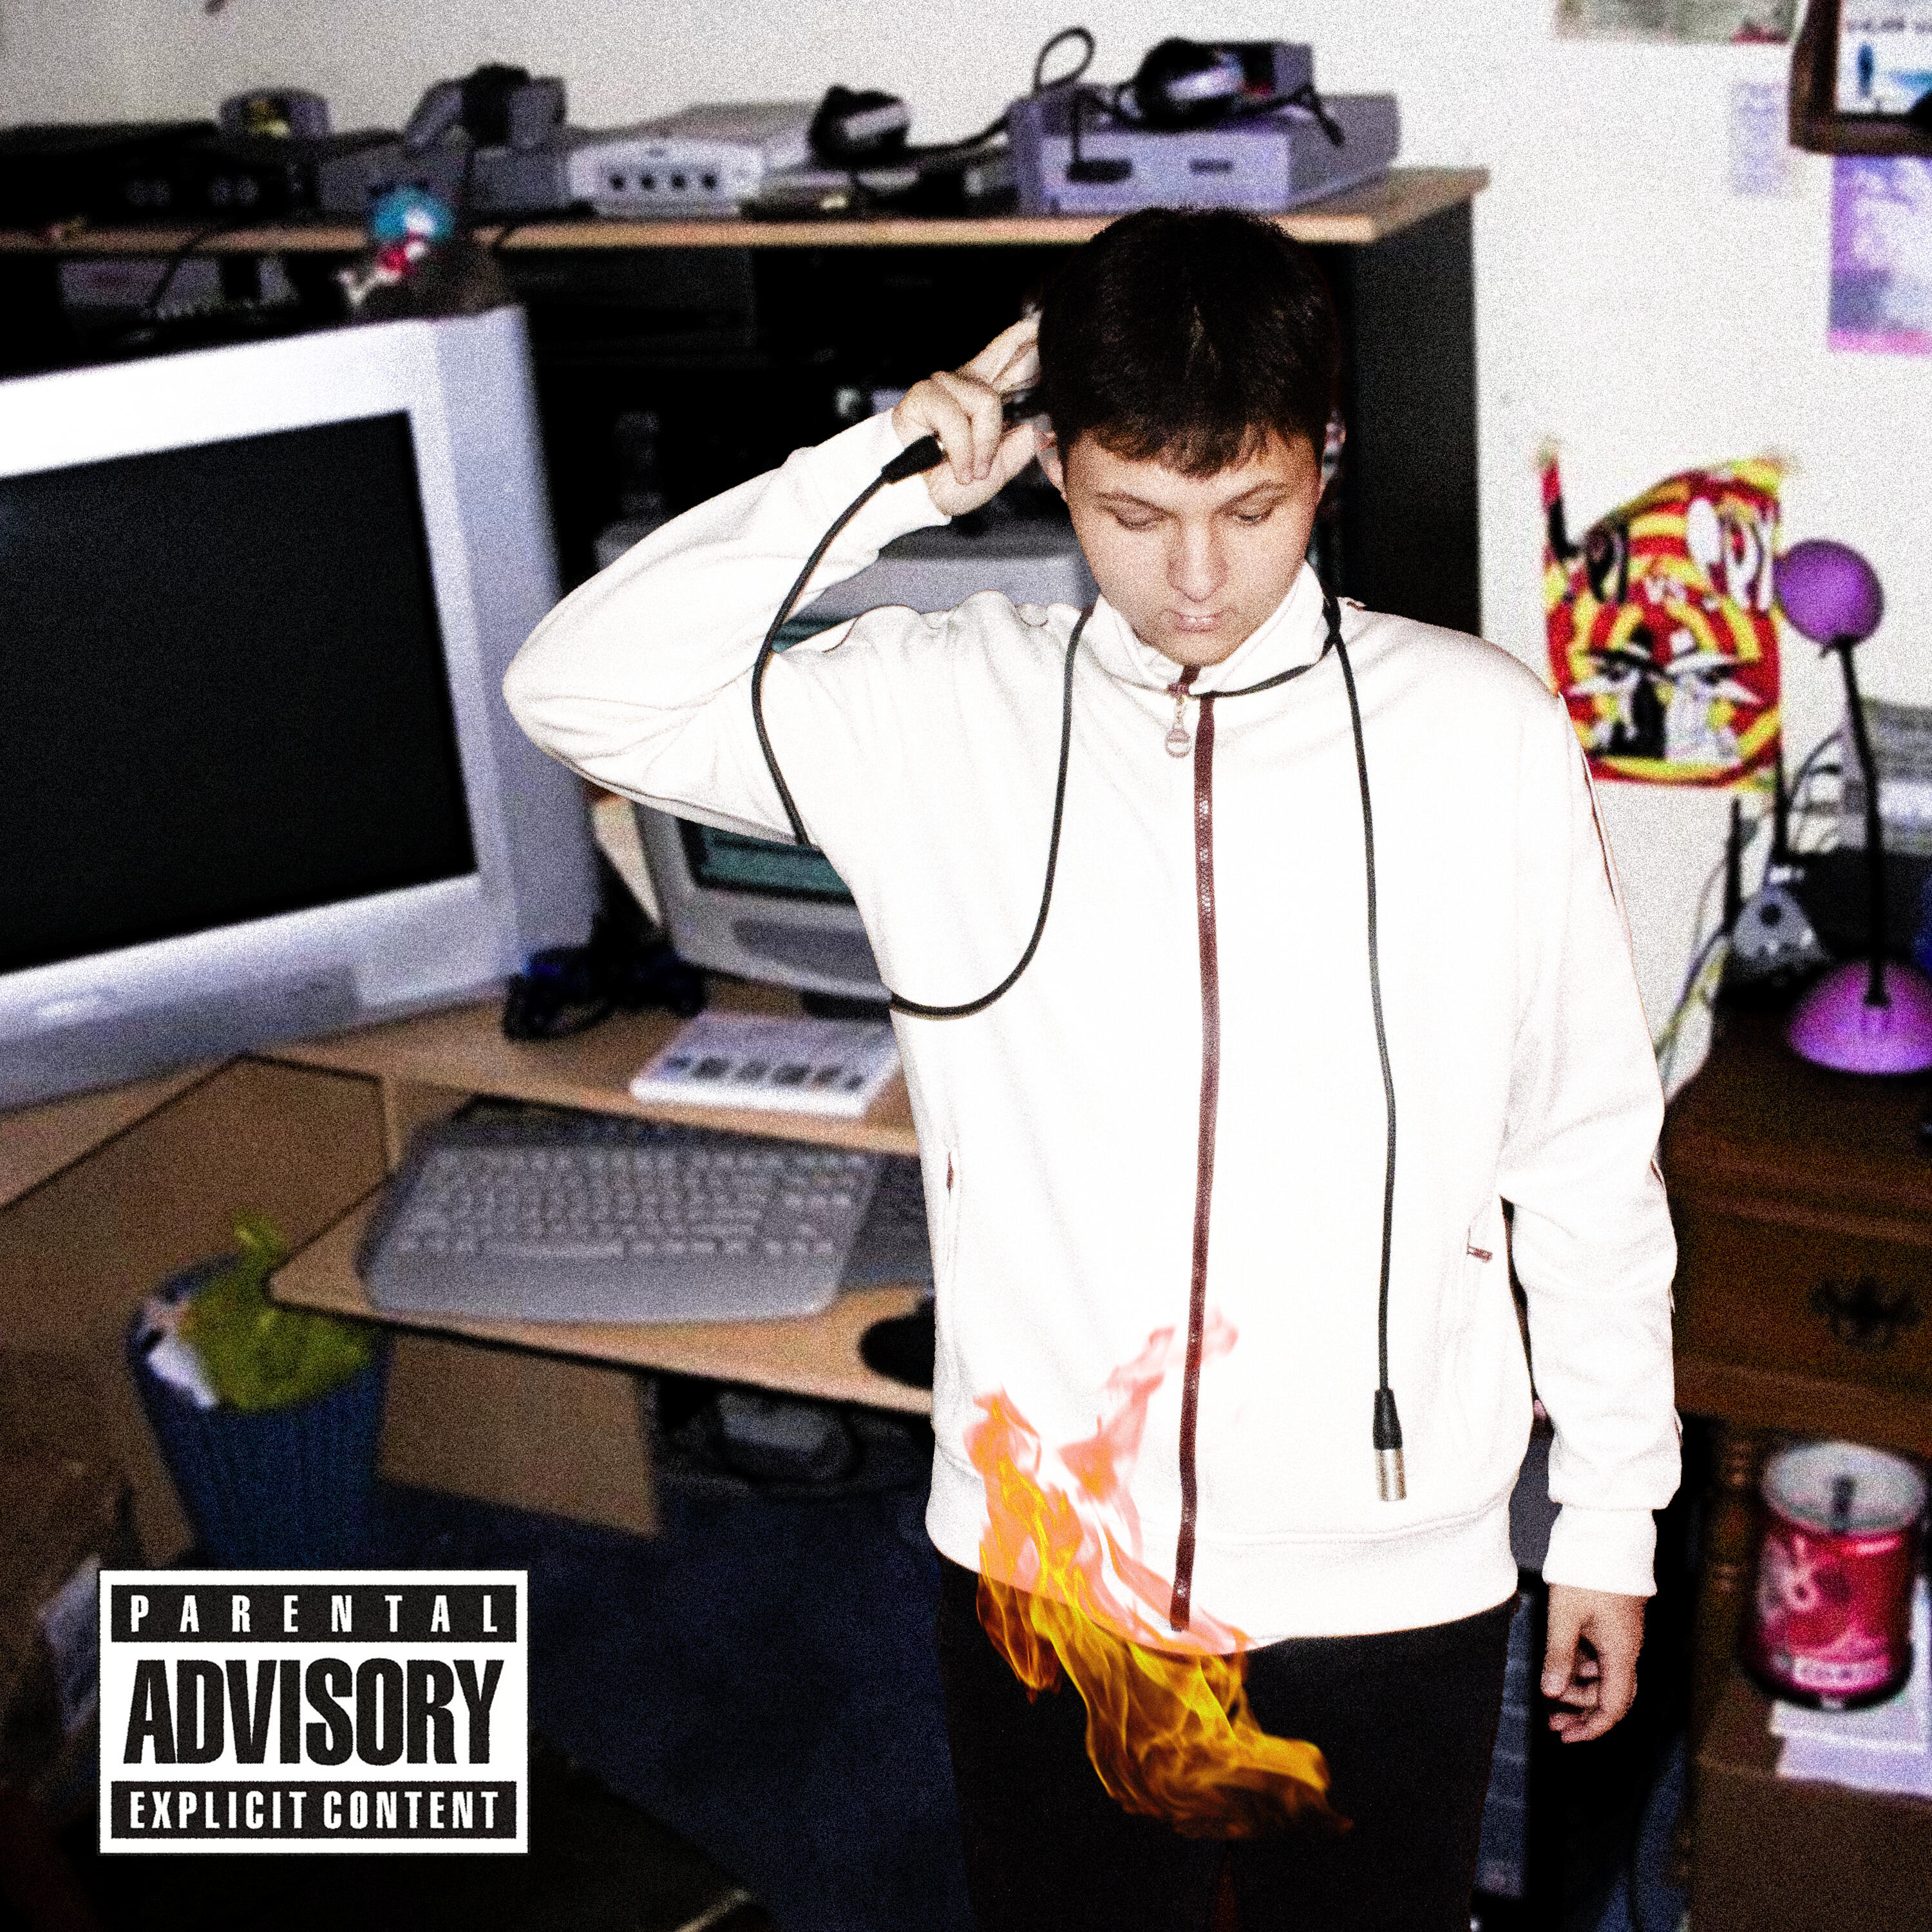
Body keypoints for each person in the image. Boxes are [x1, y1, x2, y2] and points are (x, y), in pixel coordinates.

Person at [504, 208, 1678, 1932]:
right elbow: (575, 687)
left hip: (1391, 1577)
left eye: (1251, 510)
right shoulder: (937, 709)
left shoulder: (1480, 735)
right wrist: (890, 473)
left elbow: (1582, 1152)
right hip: (1045, 1567)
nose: (1198, 579)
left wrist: (1611, 1517)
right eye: (1135, 514)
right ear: (1053, 466)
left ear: (1327, 458)